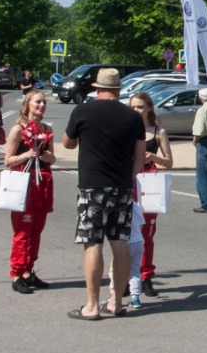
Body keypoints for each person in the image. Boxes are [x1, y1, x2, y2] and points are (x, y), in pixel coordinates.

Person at [61, 68, 146, 319]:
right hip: (121, 187)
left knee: (93, 243)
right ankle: (116, 303)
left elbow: (68, 142)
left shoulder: (83, 111)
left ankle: (91, 305)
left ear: (97, 88)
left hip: (92, 186)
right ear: (119, 90)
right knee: (120, 243)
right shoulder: (132, 117)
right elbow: (139, 158)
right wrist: (128, 179)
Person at [6, 89, 57, 295]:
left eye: (44, 102)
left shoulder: (46, 129)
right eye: (37, 102)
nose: (41, 105)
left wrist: (48, 158)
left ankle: (28, 271)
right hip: (24, 185)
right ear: (27, 104)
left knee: (36, 231)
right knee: (23, 232)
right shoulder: (18, 130)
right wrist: (27, 154)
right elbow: (8, 160)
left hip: (42, 183)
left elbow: (53, 158)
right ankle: (16, 273)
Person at [130, 91, 173, 299]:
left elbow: (169, 161)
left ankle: (146, 276)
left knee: (146, 233)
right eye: (133, 107)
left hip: (149, 182)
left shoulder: (157, 131)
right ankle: (129, 276)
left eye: (139, 107)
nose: (136, 111)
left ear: (149, 108)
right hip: (129, 181)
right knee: (127, 233)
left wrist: (154, 156)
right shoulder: (127, 129)